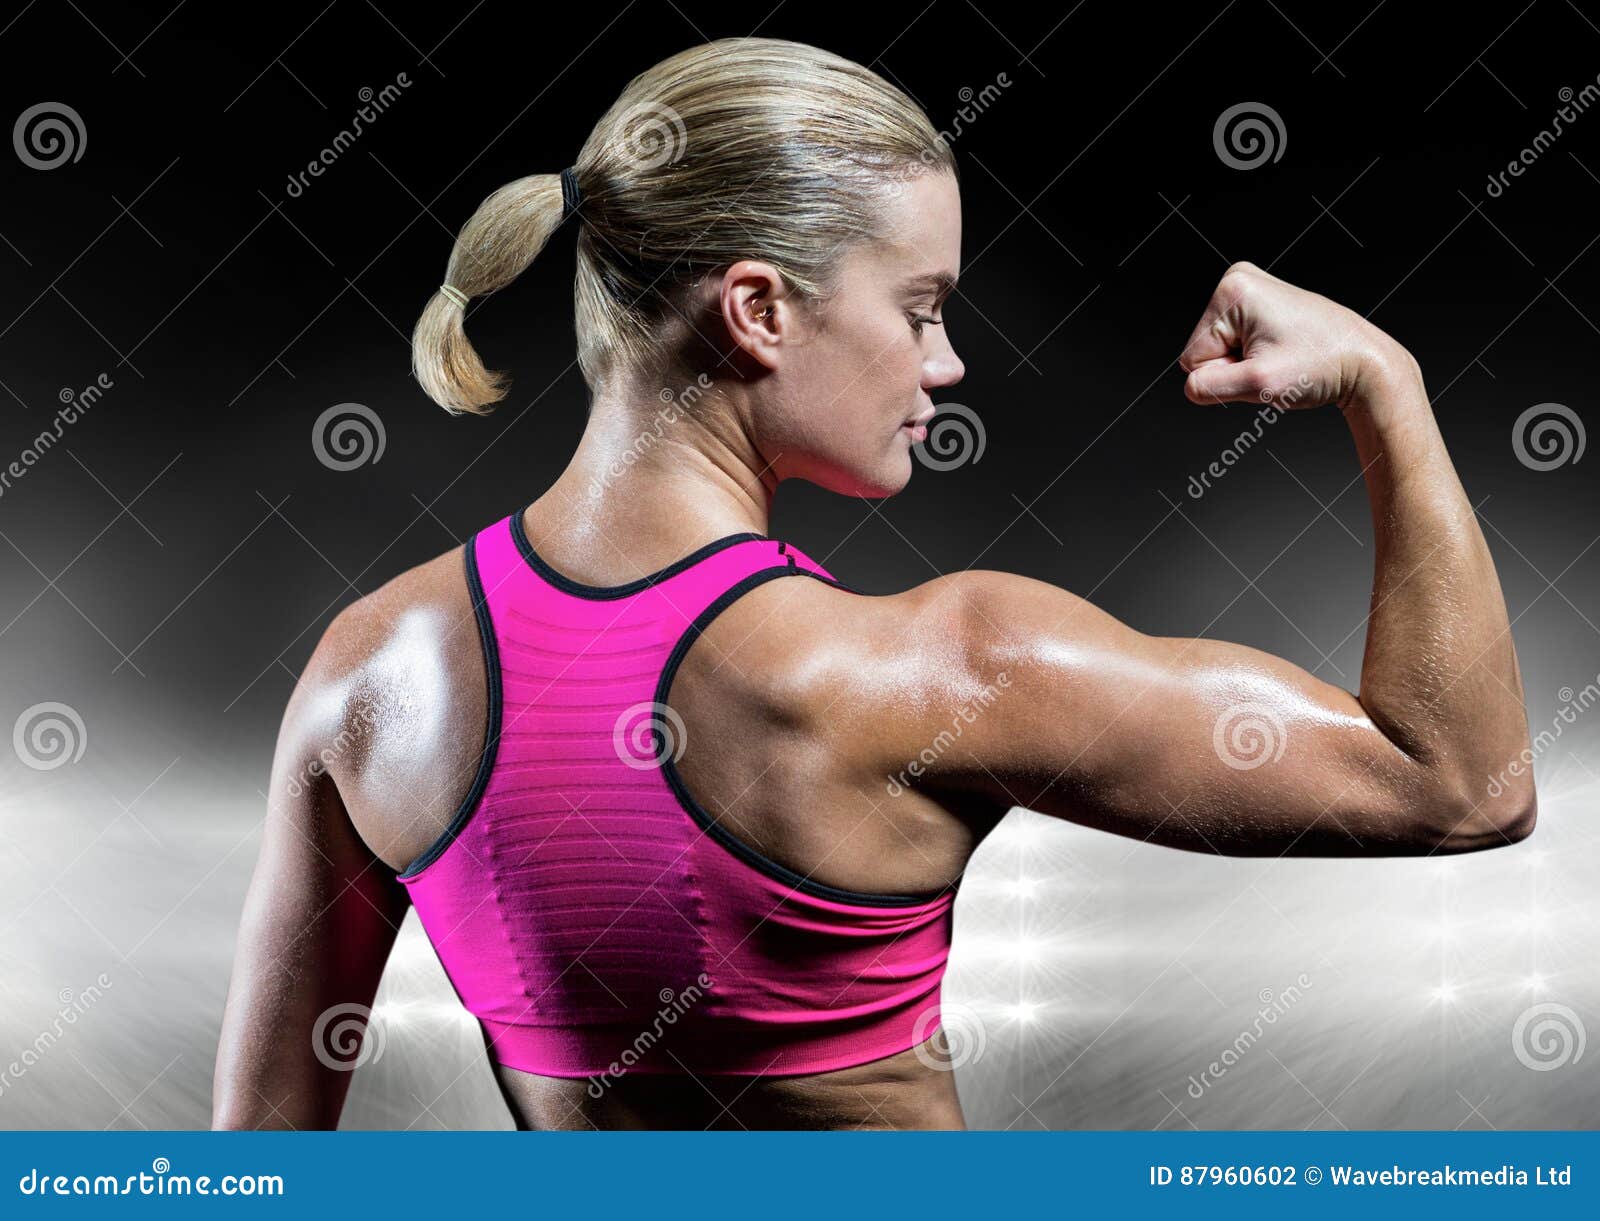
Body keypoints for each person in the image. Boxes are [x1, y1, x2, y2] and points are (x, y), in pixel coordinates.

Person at [212, 37, 1536, 1132]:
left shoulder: (368, 676)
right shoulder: (941, 666)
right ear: (759, 310)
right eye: (918, 307)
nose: (945, 361)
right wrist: (1384, 383)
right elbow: (1460, 781)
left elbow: (257, 1176)